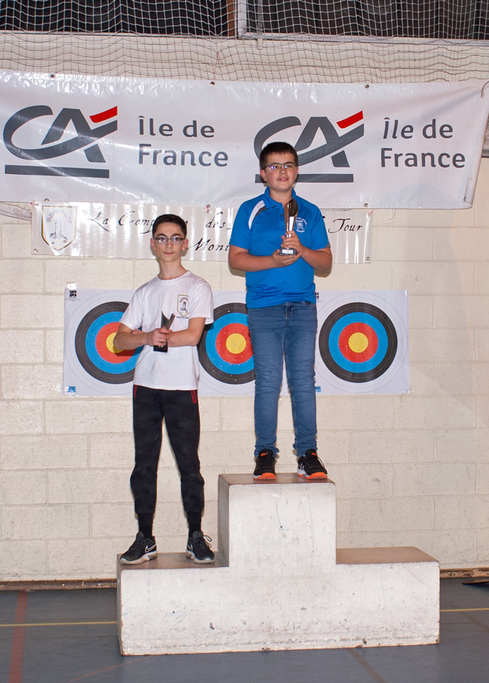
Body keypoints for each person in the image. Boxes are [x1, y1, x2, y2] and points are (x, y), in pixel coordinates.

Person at [114, 214, 216, 564]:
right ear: (153, 244)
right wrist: (146, 337)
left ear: (185, 244)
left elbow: (193, 335)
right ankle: (145, 537)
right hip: (145, 387)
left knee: (189, 466)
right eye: (162, 237)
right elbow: (119, 340)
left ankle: (195, 536)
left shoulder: (198, 287)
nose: (169, 244)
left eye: (175, 238)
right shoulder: (144, 292)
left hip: (181, 387)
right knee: (144, 465)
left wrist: (162, 338)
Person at [228, 142, 333, 481]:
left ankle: (307, 453)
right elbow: (236, 259)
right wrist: (272, 261)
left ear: (297, 171)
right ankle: (265, 453)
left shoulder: (310, 212)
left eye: (288, 165)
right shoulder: (250, 210)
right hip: (264, 306)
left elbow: (325, 262)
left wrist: (302, 250)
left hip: (302, 306)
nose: (282, 171)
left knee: (303, 381)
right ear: (263, 174)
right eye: (274, 166)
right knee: (269, 381)